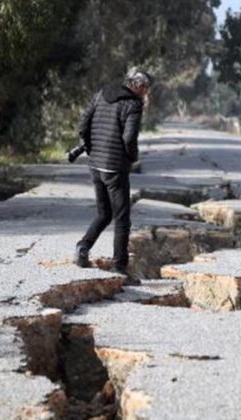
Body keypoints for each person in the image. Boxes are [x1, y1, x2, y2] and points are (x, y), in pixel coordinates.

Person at [72, 68, 153, 283]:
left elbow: (83, 124)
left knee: (104, 213)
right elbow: (129, 138)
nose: (146, 93)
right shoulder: (133, 105)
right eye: (145, 88)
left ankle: (83, 247)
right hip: (115, 168)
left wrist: (91, 148)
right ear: (137, 85)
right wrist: (132, 157)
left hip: (96, 165)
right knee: (122, 219)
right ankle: (119, 266)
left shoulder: (101, 94)